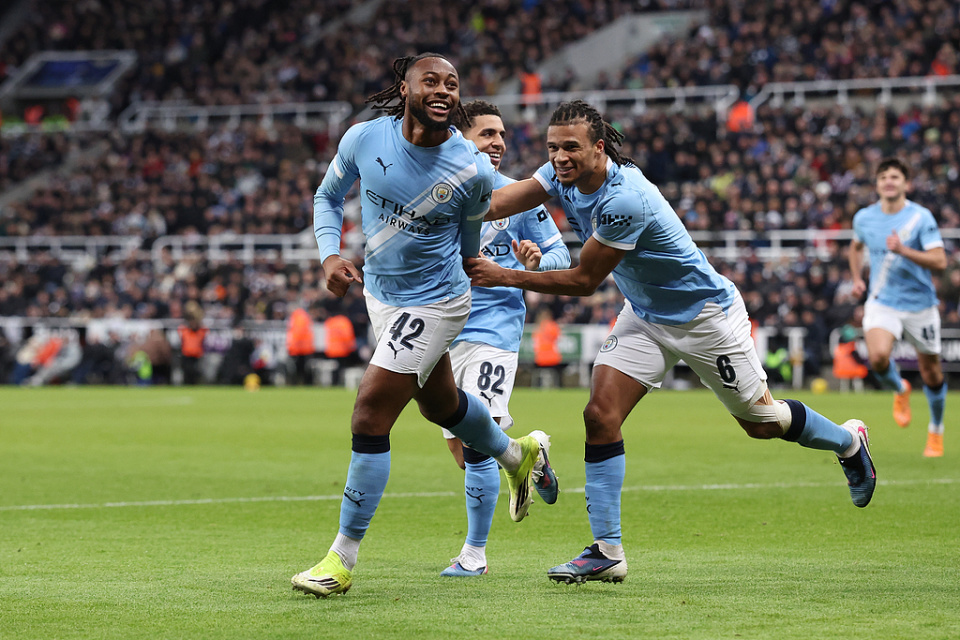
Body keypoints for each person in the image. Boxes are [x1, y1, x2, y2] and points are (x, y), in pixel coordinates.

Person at [466, 99, 877, 585]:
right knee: (599, 415)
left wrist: (504, 275)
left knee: (762, 423)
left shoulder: (625, 199)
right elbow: (496, 203)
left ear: (600, 148)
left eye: (570, 147)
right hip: (644, 315)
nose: (559, 157)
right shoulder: (558, 175)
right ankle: (607, 551)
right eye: (553, 147)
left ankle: (849, 441)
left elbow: (583, 281)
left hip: (703, 317)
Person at [290, 53, 558, 598]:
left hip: (437, 303)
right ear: (405, 87)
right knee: (443, 408)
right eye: (430, 80)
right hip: (381, 297)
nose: (442, 89)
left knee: (370, 413)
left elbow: (471, 241)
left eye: (451, 83)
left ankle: (341, 559)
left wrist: (555, 174)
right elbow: (327, 196)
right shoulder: (364, 138)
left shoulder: (469, 167)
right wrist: (329, 255)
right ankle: (516, 453)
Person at [438, 100, 571, 577]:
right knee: (463, 451)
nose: (498, 143)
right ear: (460, 139)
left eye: (501, 134)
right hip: (444, 330)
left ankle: (474, 556)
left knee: (477, 444)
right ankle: (528, 453)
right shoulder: (437, 192)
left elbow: (560, 256)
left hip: (494, 329)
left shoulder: (518, 196)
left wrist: (534, 263)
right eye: (486, 134)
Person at [849, 158, 948, 457]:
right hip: (883, 301)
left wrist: (903, 250)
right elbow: (855, 247)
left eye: (894, 176)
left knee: (931, 373)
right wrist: (857, 278)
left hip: (920, 305)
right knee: (878, 358)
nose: (888, 181)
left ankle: (935, 431)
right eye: (883, 177)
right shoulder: (864, 218)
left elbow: (940, 261)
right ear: (877, 184)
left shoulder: (920, 217)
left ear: (906, 183)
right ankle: (900, 389)